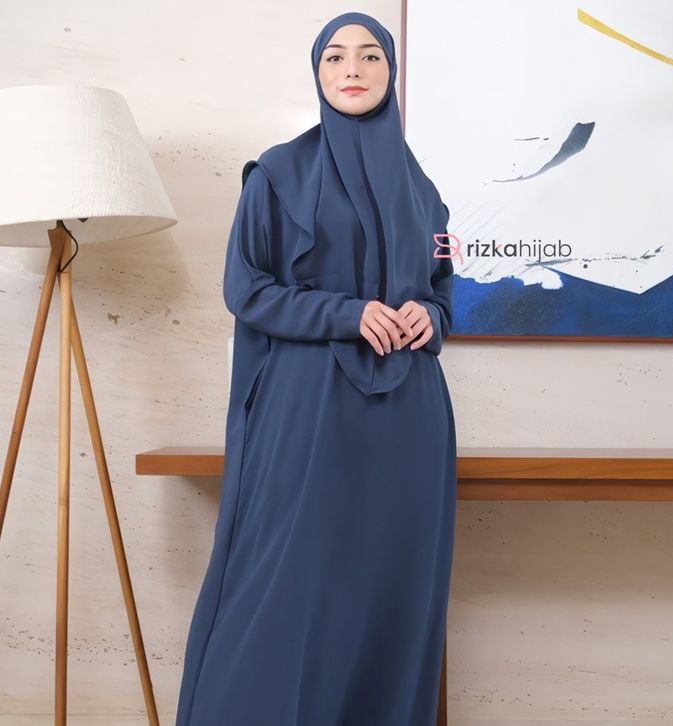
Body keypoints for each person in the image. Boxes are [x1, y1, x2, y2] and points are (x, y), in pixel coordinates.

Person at [175, 11, 456, 726]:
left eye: (370, 56)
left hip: (410, 421)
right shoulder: (277, 174)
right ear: (318, 72)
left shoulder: (427, 193)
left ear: (392, 72)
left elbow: (442, 289)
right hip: (309, 411)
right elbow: (246, 289)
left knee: (393, 593)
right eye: (335, 57)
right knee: (284, 587)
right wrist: (348, 314)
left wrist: (431, 316)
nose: (352, 69)